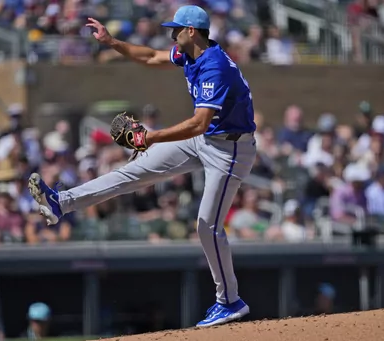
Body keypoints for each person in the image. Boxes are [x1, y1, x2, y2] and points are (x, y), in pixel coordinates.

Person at [28, 5, 255, 328]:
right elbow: (149, 56)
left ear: (192, 31)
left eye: (176, 28)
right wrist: (112, 42)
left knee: (208, 226)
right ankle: (60, 203)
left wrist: (152, 137)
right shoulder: (190, 53)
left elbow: (199, 123)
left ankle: (229, 301)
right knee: (132, 172)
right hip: (206, 140)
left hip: (231, 149)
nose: (171, 33)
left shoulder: (214, 66)